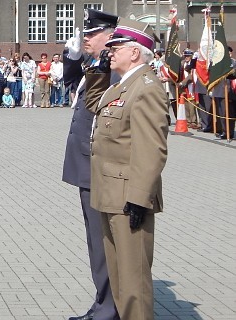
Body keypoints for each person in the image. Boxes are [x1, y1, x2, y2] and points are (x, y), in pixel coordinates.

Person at [86, 19, 168, 320]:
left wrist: (138, 197)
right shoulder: (123, 85)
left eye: (115, 47)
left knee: (135, 285)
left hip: (128, 198)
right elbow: (93, 103)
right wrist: (99, 69)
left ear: (135, 53)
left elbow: (152, 150)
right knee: (120, 282)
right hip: (110, 194)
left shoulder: (146, 88)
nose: (110, 51)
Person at [62, 9, 120, 320]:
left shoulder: (117, 70)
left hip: (100, 166)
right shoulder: (97, 64)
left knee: (103, 241)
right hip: (88, 164)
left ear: (109, 36)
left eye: (91, 34)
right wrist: (72, 56)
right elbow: (69, 79)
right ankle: (103, 304)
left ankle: (109, 309)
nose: (85, 38)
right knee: (95, 240)